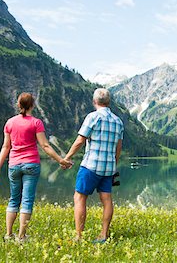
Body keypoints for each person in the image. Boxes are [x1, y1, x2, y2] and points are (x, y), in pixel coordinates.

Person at [0, 92, 72, 242]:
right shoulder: (36, 123)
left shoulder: (9, 123)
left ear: (18, 105)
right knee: (27, 200)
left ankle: (8, 235)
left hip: (14, 165)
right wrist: (60, 160)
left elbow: (6, 146)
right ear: (32, 105)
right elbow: (45, 146)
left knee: (14, 199)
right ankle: (21, 237)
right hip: (31, 165)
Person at [64, 88, 123, 243]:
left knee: (80, 197)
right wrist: (113, 164)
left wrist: (67, 158)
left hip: (91, 165)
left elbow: (79, 141)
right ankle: (104, 235)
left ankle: (79, 236)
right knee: (107, 199)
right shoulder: (118, 121)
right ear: (109, 102)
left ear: (94, 101)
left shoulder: (93, 117)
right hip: (108, 168)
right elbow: (118, 148)